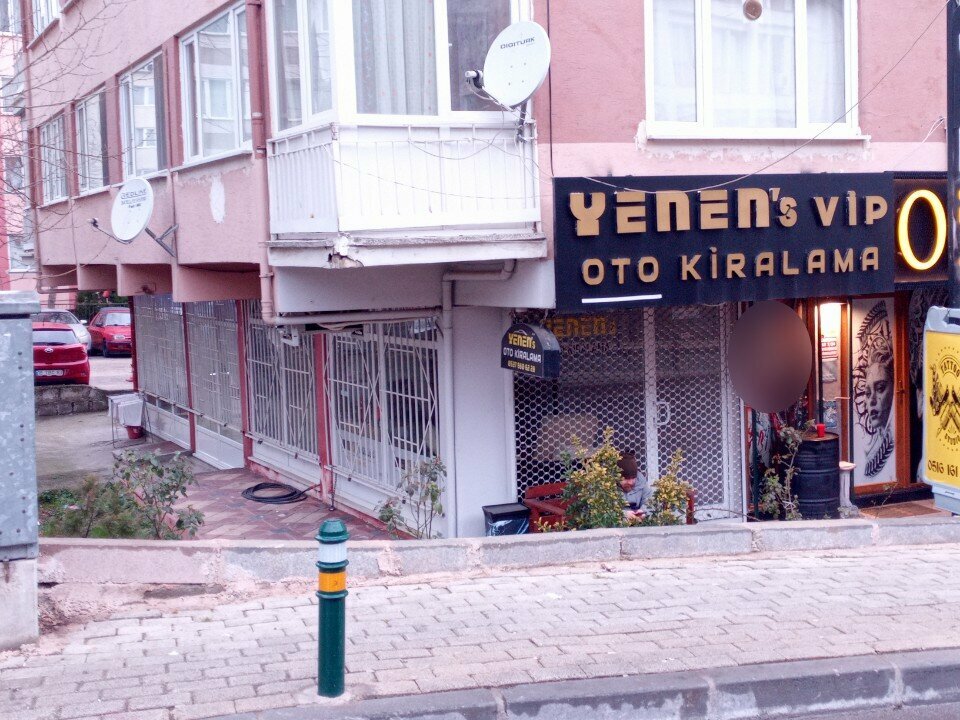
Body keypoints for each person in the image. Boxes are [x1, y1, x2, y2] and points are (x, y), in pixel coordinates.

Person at [618, 451, 651, 520]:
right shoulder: (608, 485)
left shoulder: (641, 480)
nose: (630, 482)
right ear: (617, 476)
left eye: (633, 478)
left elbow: (651, 503)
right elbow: (604, 510)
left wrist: (643, 512)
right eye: (626, 478)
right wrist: (623, 514)